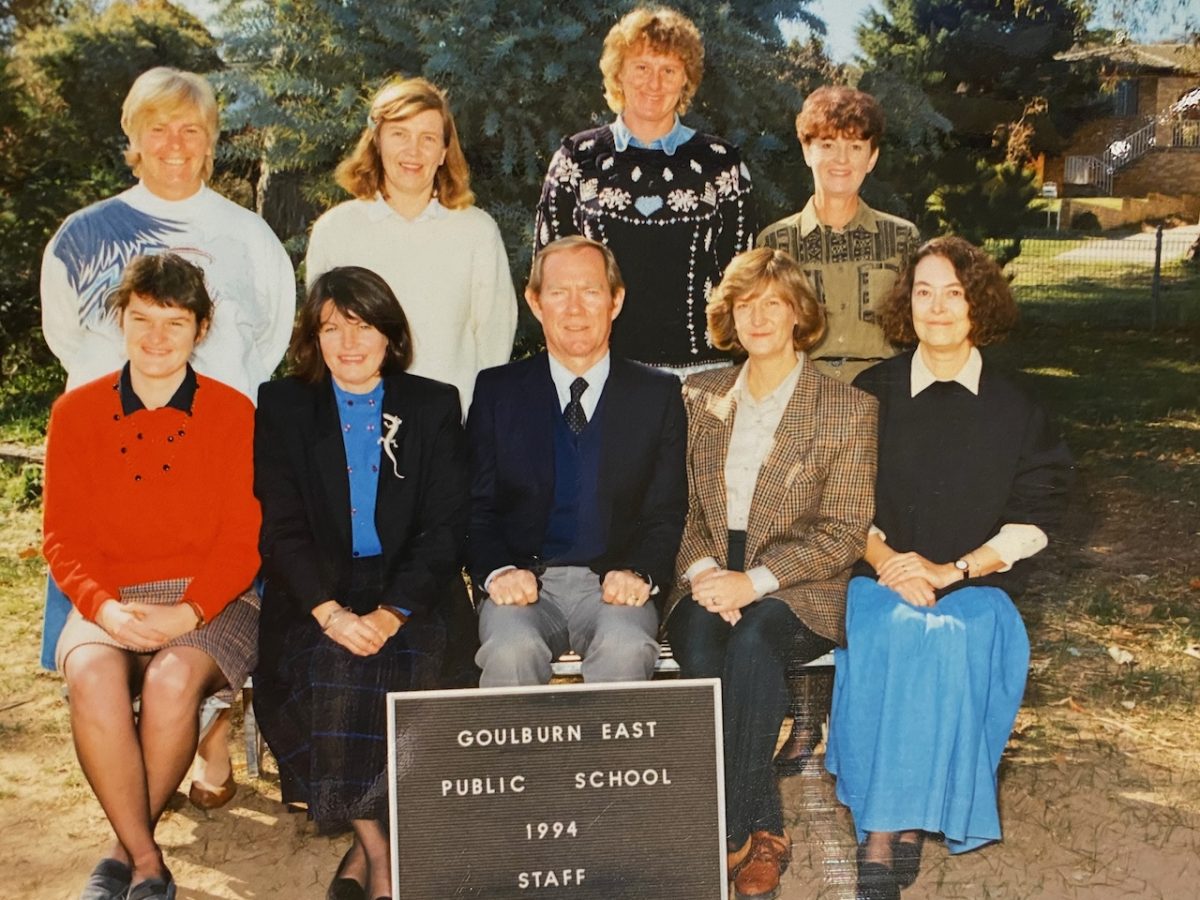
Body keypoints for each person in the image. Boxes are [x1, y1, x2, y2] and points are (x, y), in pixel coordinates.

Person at [39, 66, 295, 806]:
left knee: (197, 633)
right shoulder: (85, 235)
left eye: (192, 129)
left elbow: (268, 345)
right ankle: (139, 807)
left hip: (216, 465)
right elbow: (70, 344)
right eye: (158, 127)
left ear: (213, 143)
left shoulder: (248, 237)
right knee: (112, 655)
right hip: (115, 477)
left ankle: (211, 738)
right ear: (133, 138)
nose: (175, 143)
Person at [824, 237, 1073, 900]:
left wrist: (952, 570)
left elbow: (1038, 515)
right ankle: (888, 830)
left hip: (976, 585)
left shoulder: (1017, 406)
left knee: (947, 635)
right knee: (903, 631)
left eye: (954, 292)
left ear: (978, 304)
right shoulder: (870, 392)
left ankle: (902, 822)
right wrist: (892, 565)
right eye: (925, 291)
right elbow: (843, 504)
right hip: (879, 578)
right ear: (908, 303)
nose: (938, 307)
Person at [43, 253, 261, 900]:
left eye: (175, 322)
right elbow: (62, 538)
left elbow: (244, 540)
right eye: (142, 319)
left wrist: (189, 613)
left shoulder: (235, 414)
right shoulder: (75, 415)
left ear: (201, 328)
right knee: (89, 672)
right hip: (109, 599)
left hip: (213, 600)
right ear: (121, 320)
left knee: (170, 681)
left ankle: (120, 847)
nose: (157, 338)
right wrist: (104, 612)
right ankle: (146, 861)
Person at [664, 247, 877, 900]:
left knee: (754, 644)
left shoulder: (847, 409)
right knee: (701, 644)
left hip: (801, 584)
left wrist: (752, 584)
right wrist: (706, 574)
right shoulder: (698, 397)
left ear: (798, 314)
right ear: (728, 317)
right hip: (706, 567)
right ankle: (766, 826)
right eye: (743, 306)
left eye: (772, 304)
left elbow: (843, 532)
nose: (757, 318)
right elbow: (675, 505)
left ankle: (727, 828)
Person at [253, 266, 467, 900]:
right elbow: (282, 529)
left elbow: (444, 528)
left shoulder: (432, 404)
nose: (349, 342)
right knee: (336, 666)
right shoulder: (285, 405)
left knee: (415, 672)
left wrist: (392, 611)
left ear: (389, 335)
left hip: (412, 586)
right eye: (331, 327)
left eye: (363, 325)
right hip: (314, 591)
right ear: (312, 338)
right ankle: (385, 859)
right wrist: (331, 613)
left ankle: (364, 845)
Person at [467, 236, 687, 686]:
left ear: (616, 300)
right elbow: (474, 507)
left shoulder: (656, 395)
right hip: (524, 585)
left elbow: (665, 510)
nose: (574, 308)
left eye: (589, 291)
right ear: (534, 302)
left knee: (627, 647)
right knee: (510, 650)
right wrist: (497, 571)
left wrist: (640, 571)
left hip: (614, 586)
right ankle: (521, 762)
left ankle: (609, 761)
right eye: (558, 292)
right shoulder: (497, 392)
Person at [535, 6, 755, 376]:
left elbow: (742, 281)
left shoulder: (722, 165)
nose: (654, 83)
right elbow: (548, 276)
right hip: (601, 373)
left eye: (668, 70)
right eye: (642, 67)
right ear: (618, 73)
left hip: (702, 377)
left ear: (686, 80)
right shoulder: (577, 159)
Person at [306, 76, 516, 412]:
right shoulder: (336, 230)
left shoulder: (477, 232)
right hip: (357, 421)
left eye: (428, 138)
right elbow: (324, 338)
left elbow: (494, 341)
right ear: (377, 141)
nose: (413, 151)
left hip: (449, 430)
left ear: (445, 151)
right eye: (399, 134)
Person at [758, 85, 918, 385]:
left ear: (872, 158)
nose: (841, 159)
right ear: (807, 151)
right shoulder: (775, 243)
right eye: (828, 145)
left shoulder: (902, 238)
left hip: (882, 394)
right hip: (800, 392)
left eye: (856, 146)